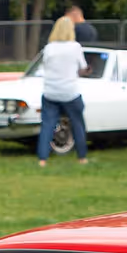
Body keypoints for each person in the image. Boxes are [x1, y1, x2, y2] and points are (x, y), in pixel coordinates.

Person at [34, 14, 90, 168]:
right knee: (77, 123)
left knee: (47, 125)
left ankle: (42, 159)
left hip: (50, 91)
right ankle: (82, 157)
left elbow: (44, 68)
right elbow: (82, 67)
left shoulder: (49, 48)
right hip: (70, 92)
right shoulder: (75, 47)